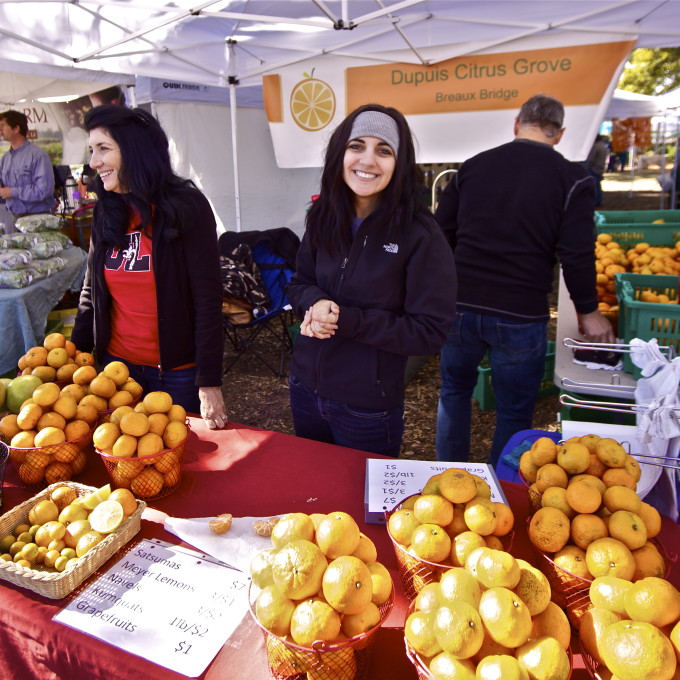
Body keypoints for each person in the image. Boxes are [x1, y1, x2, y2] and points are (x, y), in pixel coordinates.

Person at [434, 94, 615, 466]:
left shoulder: (474, 167)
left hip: (460, 307)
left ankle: (446, 478)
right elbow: (576, 253)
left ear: (518, 124)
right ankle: (501, 492)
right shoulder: (573, 179)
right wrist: (589, 311)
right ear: (559, 134)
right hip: (520, 314)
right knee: (515, 412)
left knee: (453, 391)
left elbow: (440, 234)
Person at [287, 104, 457, 457]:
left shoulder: (419, 233)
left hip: (365, 406)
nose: (367, 160)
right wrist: (314, 302)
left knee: (360, 509)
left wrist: (347, 320)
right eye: (357, 146)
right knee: (311, 497)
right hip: (304, 388)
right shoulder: (322, 215)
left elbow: (430, 330)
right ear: (340, 153)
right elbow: (298, 282)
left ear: (399, 163)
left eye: (384, 150)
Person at [70, 105, 227, 429]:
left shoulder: (186, 207)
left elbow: (207, 299)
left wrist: (209, 379)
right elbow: (91, 293)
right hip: (116, 372)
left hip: (177, 373)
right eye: (92, 150)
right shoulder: (104, 211)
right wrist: (74, 359)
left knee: (178, 464)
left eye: (103, 149)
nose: (93, 162)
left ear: (133, 149)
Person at [0, 109, 55, 234]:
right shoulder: (5, 158)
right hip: (15, 218)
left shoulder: (38, 155)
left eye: (3, 125)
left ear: (16, 129)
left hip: (38, 219)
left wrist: (13, 192)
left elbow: (44, 190)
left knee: (40, 253)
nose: (0, 129)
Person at [585, 134, 609, 207]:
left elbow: (591, 159)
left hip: (594, 168)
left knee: (594, 186)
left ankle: (596, 201)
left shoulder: (596, 146)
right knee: (597, 185)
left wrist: (587, 166)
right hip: (600, 167)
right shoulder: (603, 146)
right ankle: (598, 200)